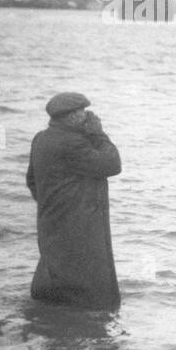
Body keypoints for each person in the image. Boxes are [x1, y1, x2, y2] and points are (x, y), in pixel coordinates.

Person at [26, 92, 122, 309]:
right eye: (81, 112)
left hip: (52, 221)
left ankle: (51, 316)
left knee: (56, 272)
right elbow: (112, 164)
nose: (87, 116)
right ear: (70, 116)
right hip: (79, 226)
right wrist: (99, 134)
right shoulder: (72, 143)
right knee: (88, 289)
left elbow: (32, 181)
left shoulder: (41, 139)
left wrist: (54, 204)